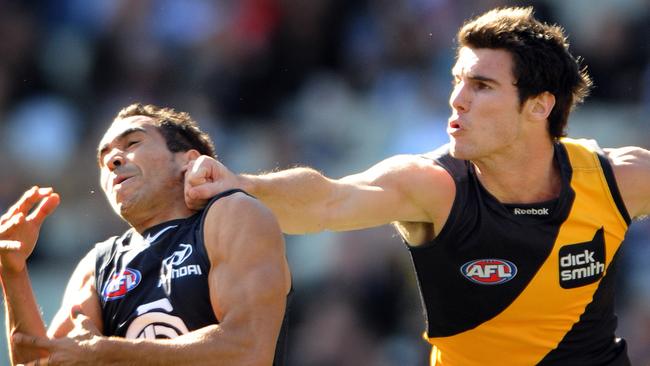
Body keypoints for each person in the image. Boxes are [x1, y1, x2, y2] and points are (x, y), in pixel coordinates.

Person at [183, 7, 650, 366]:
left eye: (482, 86)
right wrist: (241, 184)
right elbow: (327, 200)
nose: (457, 99)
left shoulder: (617, 178)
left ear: (539, 106)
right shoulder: (433, 186)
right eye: (457, 80)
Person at [0, 103, 292, 365]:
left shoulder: (233, 215)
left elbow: (248, 352)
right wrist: (12, 271)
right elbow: (46, 361)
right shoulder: (98, 264)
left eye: (132, 142)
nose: (113, 160)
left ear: (188, 160)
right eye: (103, 160)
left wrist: (110, 354)